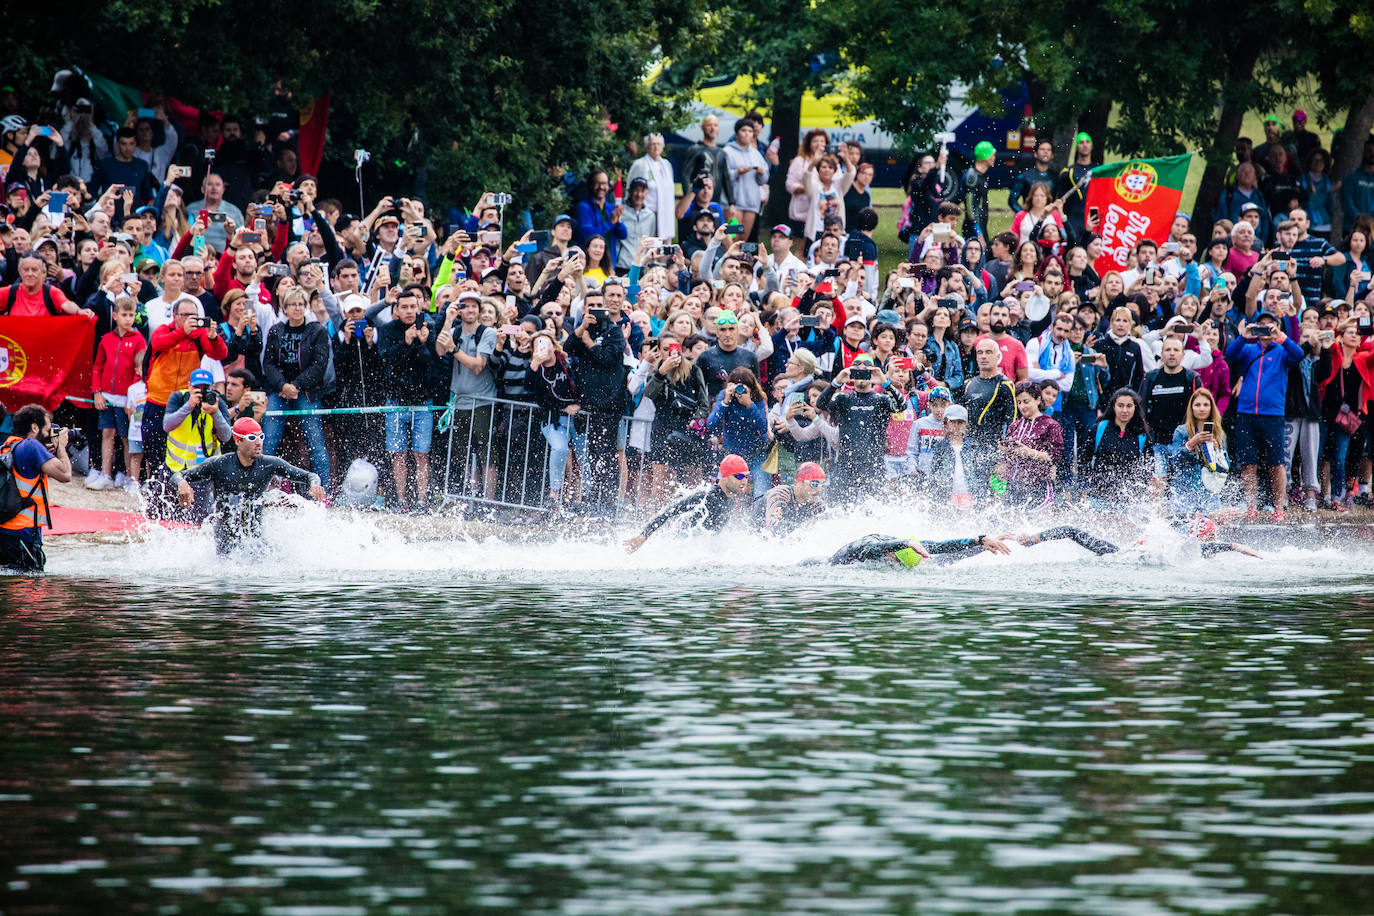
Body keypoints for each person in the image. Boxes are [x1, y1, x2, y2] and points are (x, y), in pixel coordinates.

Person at [171, 417, 327, 554]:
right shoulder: (219, 464)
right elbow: (176, 476)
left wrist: (315, 485)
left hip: (255, 536)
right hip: (225, 537)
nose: (259, 442)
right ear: (238, 441)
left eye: (261, 436)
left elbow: (310, 476)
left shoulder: (270, 464)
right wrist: (182, 483)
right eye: (252, 437)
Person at [1225, 312, 1303, 520]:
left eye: (1270, 326)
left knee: (1276, 463)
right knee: (1248, 462)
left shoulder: (1281, 351)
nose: (1265, 330)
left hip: (1273, 414)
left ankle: (1278, 507)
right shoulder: (1249, 349)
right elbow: (1230, 353)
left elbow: (1299, 354)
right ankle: (1251, 505)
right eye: (1262, 326)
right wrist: (1244, 335)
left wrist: (1282, 337)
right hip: (1246, 413)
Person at [262, 290, 333, 488]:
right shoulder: (276, 331)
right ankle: (261, 489)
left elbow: (319, 365)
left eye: (301, 304)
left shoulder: (317, 330)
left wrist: (296, 386)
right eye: (293, 304)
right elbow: (268, 363)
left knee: (316, 443)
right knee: (268, 442)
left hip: (306, 391)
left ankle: (323, 490)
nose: (297, 308)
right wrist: (283, 385)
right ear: (284, 308)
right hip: (279, 390)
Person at [816, 360, 906, 501]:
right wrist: (836, 382)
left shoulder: (881, 400)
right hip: (846, 465)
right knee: (839, 511)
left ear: (872, 374)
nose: (862, 373)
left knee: (877, 513)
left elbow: (901, 406)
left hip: (874, 466)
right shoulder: (842, 399)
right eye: (857, 370)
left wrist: (884, 382)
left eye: (866, 370)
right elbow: (820, 404)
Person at [623, 454, 752, 551]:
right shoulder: (707, 496)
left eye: (747, 476)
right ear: (725, 476)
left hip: (706, 549)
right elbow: (669, 511)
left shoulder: (730, 496)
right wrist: (643, 536)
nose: (744, 481)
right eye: (739, 476)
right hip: (686, 548)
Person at [0, 404, 73, 573]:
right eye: (48, 430)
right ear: (34, 427)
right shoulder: (32, 445)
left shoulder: (7, 446)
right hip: (22, 535)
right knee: (28, 595)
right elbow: (66, 474)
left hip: (4, 533)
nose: (49, 435)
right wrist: (61, 446)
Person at [88, 296, 146, 491]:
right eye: (124, 315)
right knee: (107, 433)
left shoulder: (138, 340)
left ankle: (130, 477)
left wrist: (132, 398)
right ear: (115, 316)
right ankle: (106, 474)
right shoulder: (106, 339)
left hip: (126, 400)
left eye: (131, 315)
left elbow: (140, 370)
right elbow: (97, 367)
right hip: (107, 396)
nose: (128, 319)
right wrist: (97, 392)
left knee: (126, 437)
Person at [1084, 388, 1154, 508]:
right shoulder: (1099, 429)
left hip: (1129, 501)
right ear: (1113, 407)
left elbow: (1149, 468)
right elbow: (1084, 460)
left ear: (1135, 407)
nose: (1124, 410)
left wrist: (1142, 492)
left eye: (1129, 406)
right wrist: (1083, 487)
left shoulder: (1142, 435)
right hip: (1098, 498)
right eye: (1120, 406)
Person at [1001, 381, 1062, 507]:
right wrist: (1005, 452)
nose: (1022, 406)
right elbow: (1009, 456)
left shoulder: (1051, 425)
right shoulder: (1014, 426)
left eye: (1026, 401)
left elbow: (1054, 456)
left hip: (1039, 487)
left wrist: (1030, 452)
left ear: (1038, 400)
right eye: (1019, 402)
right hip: (1013, 487)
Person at [1139, 338, 1201, 446]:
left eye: (1176, 350)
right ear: (1162, 355)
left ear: (1183, 354)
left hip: (1184, 439)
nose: (1172, 353)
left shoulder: (1192, 379)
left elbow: (1201, 410)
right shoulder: (1151, 378)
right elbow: (1141, 407)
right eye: (1168, 350)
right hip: (1155, 440)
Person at [961, 339, 1017, 454]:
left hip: (993, 448)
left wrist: (1007, 451)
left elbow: (1013, 421)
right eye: (980, 352)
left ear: (997, 356)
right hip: (968, 447)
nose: (984, 356)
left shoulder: (1005, 384)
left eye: (988, 352)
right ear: (976, 357)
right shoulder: (968, 384)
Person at [627, 133, 676, 242]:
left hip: (665, 213)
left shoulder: (666, 165)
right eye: (652, 144)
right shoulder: (640, 165)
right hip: (648, 214)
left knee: (664, 247)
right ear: (647, 146)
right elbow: (631, 189)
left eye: (658, 144)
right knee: (650, 246)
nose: (656, 147)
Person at [759, 462, 827, 534]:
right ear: (799, 482)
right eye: (814, 484)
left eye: (821, 485)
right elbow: (771, 531)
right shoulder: (780, 495)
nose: (819, 490)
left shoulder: (816, 503)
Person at [960, 141, 996, 240]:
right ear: (986, 156)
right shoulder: (972, 176)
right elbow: (970, 206)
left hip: (980, 225)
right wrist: (978, 232)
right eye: (993, 155)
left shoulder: (980, 176)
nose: (994, 158)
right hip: (973, 228)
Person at [1008, 139, 1055, 213]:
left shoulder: (1055, 177)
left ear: (1052, 155)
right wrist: (1024, 215)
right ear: (1035, 154)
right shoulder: (1024, 176)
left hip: (1049, 219)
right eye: (1042, 149)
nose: (1046, 152)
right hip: (1030, 219)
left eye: (1049, 150)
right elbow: (1012, 200)